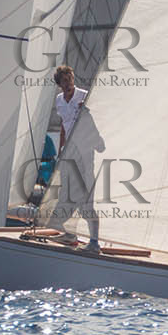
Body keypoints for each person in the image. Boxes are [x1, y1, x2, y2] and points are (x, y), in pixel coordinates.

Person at [50, 65, 100, 253]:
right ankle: (70, 234)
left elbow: (97, 121)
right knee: (66, 195)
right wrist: (61, 149)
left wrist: (86, 111)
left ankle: (94, 242)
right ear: (59, 84)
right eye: (64, 80)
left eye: (70, 78)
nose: (69, 83)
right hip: (68, 153)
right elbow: (64, 125)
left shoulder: (85, 95)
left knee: (87, 198)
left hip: (85, 151)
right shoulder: (59, 100)